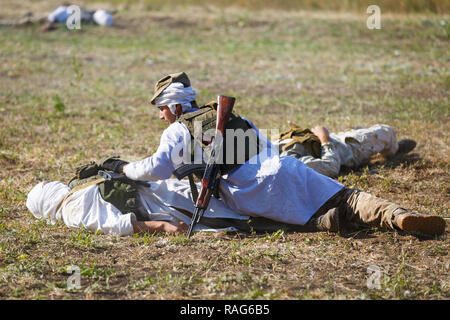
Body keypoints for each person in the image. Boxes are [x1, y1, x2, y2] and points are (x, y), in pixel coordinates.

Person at [99, 72, 445, 236]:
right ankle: (397, 216)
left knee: (257, 223)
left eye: (161, 108)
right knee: (350, 196)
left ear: (174, 105)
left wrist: (126, 168)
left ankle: (326, 222)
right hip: (284, 166)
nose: (161, 115)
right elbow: (263, 145)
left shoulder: (177, 130)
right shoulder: (236, 118)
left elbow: (157, 169)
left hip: (247, 192)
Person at [26, 178, 251, 236]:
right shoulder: (71, 212)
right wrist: (163, 226)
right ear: (44, 201)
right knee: (233, 214)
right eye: (44, 186)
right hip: (161, 205)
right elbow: (118, 225)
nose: (49, 183)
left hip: (158, 191)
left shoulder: (74, 192)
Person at [273, 123, 417, 177]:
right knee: (387, 131)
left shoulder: (265, 149)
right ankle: (394, 150)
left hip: (334, 139)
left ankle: (360, 133)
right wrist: (324, 138)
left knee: (362, 131)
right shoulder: (286, 162)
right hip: (349, 148)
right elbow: (330, 167)